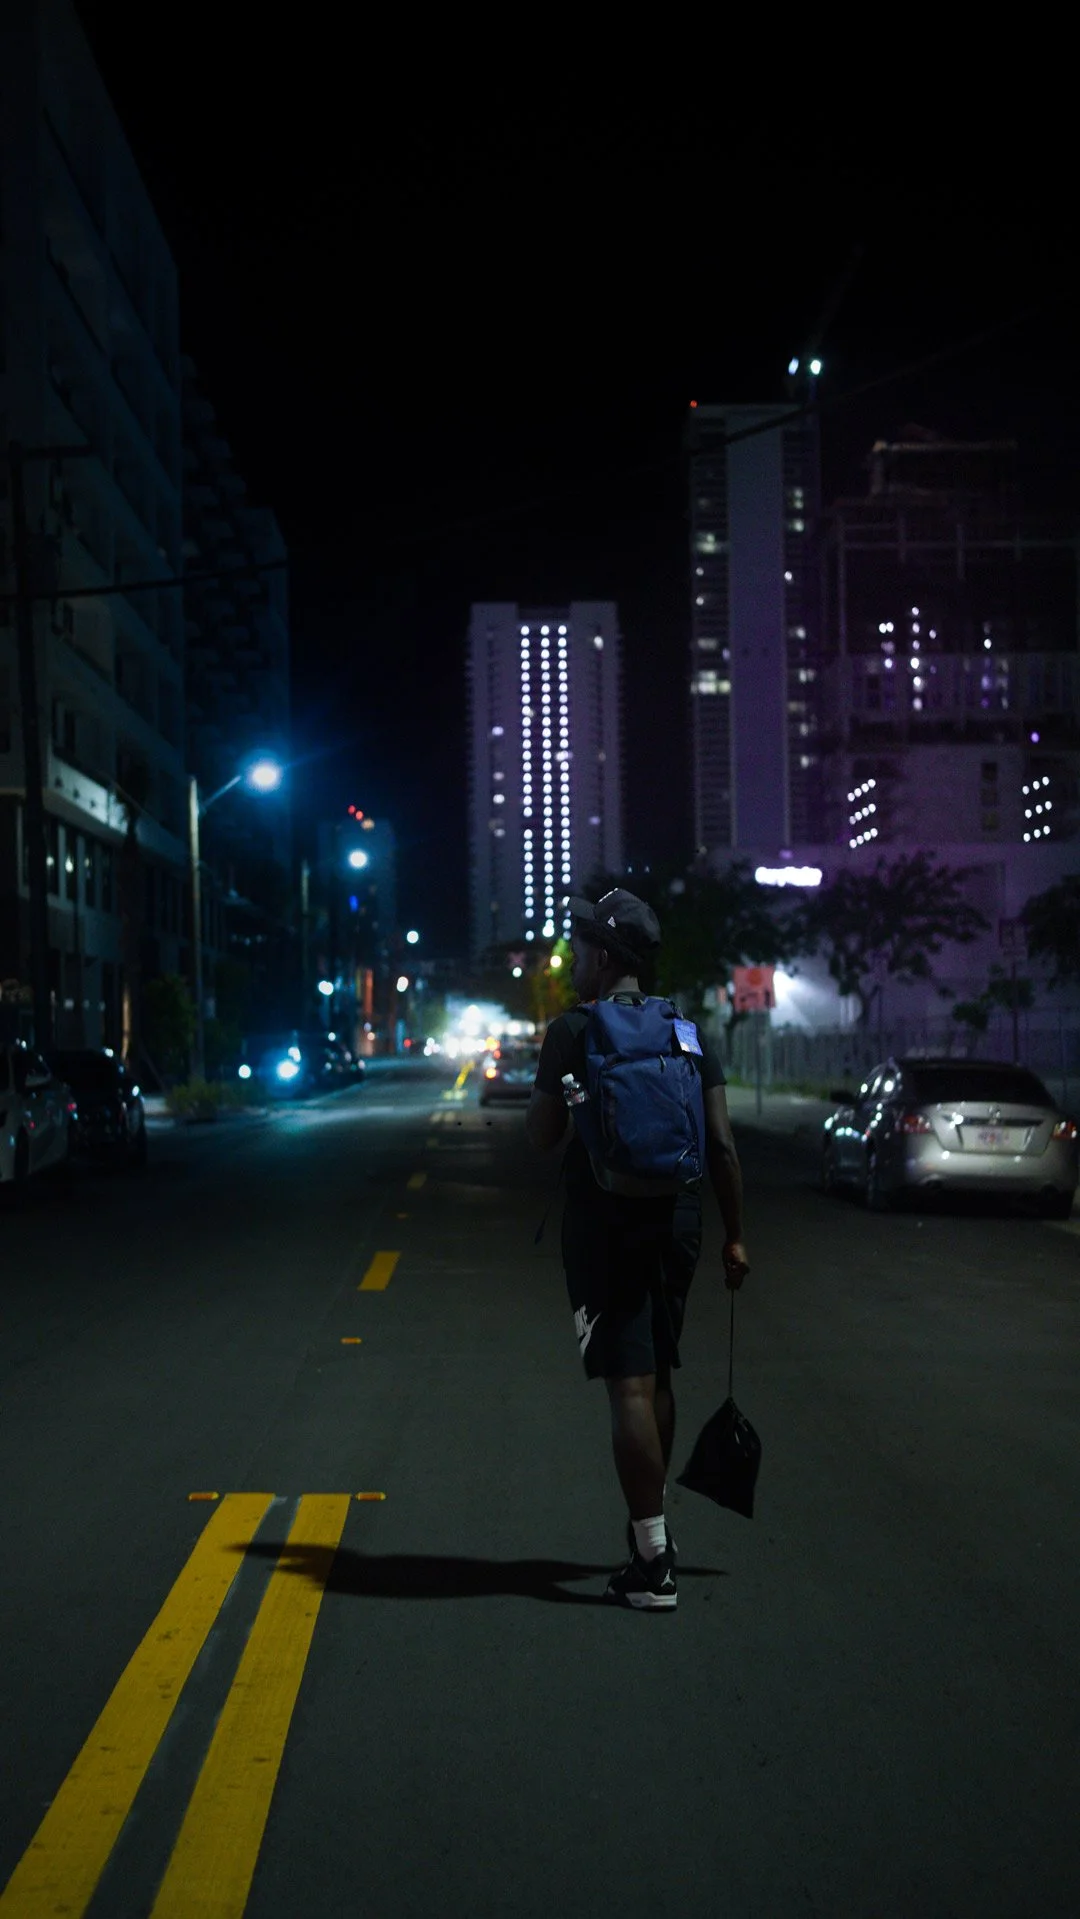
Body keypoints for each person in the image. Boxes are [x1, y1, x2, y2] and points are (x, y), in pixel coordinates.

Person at [525, 889, 749, 1611]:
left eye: (579, 946)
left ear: (604, 955)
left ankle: (653, 1564)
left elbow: (540, 1136)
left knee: (627, 1384)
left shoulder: (572, 1030)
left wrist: (563, 1084)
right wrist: (736, 1234)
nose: (573, 959)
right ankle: (650, 1533)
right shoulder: (687, 1030)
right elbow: (720, 1143)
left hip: (605, 1220)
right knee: (658, 1375)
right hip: (678, 1217)